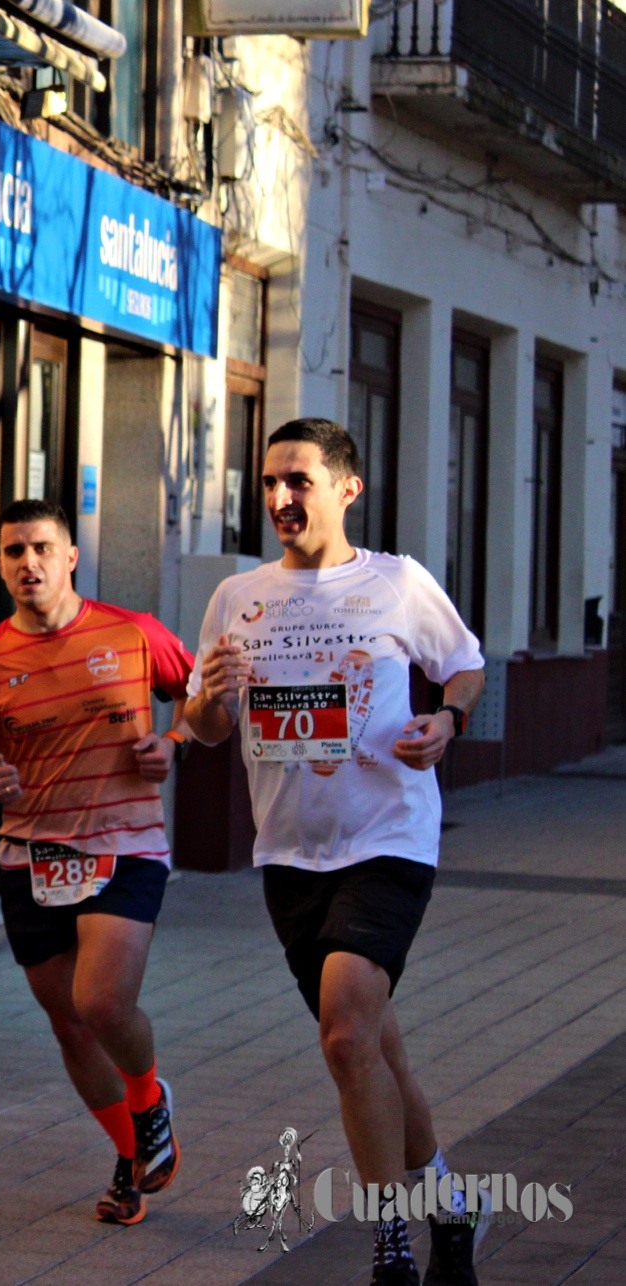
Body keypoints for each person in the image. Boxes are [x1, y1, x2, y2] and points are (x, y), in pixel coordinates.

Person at [184, 417, 487, 1286]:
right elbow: (203, 730)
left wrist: (449, 719)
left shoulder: (395, 583)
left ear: (347, 488)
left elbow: (465, 665)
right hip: (288, 853)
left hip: (388, 838)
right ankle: (454, 1211)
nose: (280, 498)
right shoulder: (238, 596)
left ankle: (391, 1245)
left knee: (346, 1035)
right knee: (376, 1051)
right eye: (271, 482)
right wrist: (209, 699)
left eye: (299, 481)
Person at [0, 498, 191, 1225]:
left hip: (125, 844)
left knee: (102, 1003)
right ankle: (131, 1160)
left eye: (42, 548)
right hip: (31, 857)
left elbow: (203, 700)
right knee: (70, 1027)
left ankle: (148, 1098)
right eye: (13, 553)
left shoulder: (133, 633)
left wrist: (171, 743)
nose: (28, 564)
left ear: (71, 555)